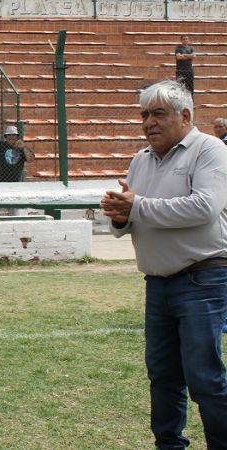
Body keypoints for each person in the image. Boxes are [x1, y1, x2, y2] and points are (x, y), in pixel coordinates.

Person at [101, 80, 227, 449]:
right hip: (157, 283)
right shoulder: (141, 159)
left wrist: (136, 207)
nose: (148, 123)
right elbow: (128, 218)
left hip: (203, 278)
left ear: (185, 116)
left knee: (204, 377)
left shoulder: (210, 150)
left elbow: (204, 207)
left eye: (158, 114)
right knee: (162, 374)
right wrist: (120, 216)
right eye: (144, 115)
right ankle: (169, 445)